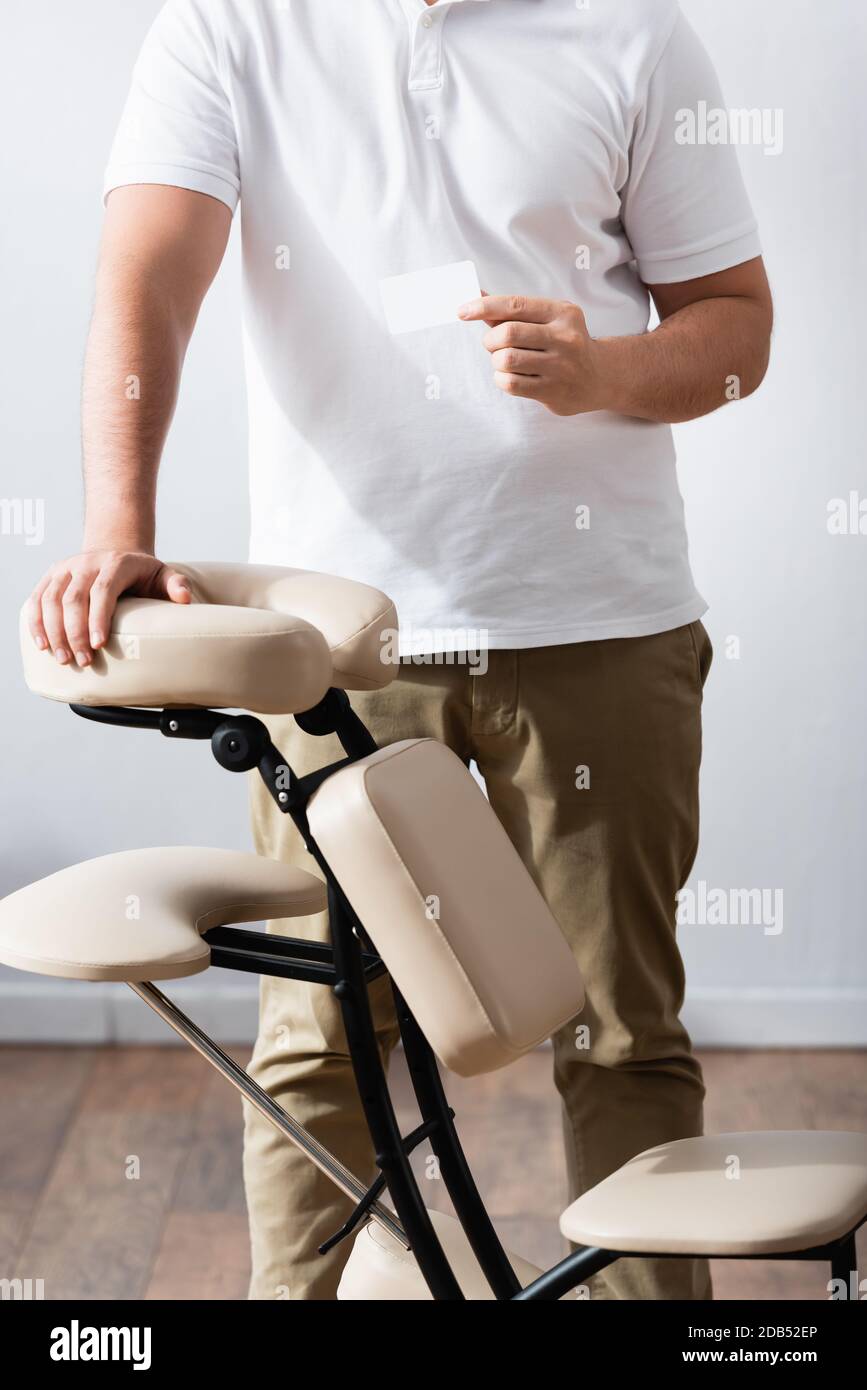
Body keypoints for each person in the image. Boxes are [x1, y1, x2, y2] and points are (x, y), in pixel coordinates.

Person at [27, 0, 772, 1300]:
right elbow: (145, 272)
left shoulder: (635, 33)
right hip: (332, 645)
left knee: (621, 1030)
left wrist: (602, 371)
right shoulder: (226, 25)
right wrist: (118, 529)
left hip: (604, 621)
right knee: (323, 1034)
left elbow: (736, 330)